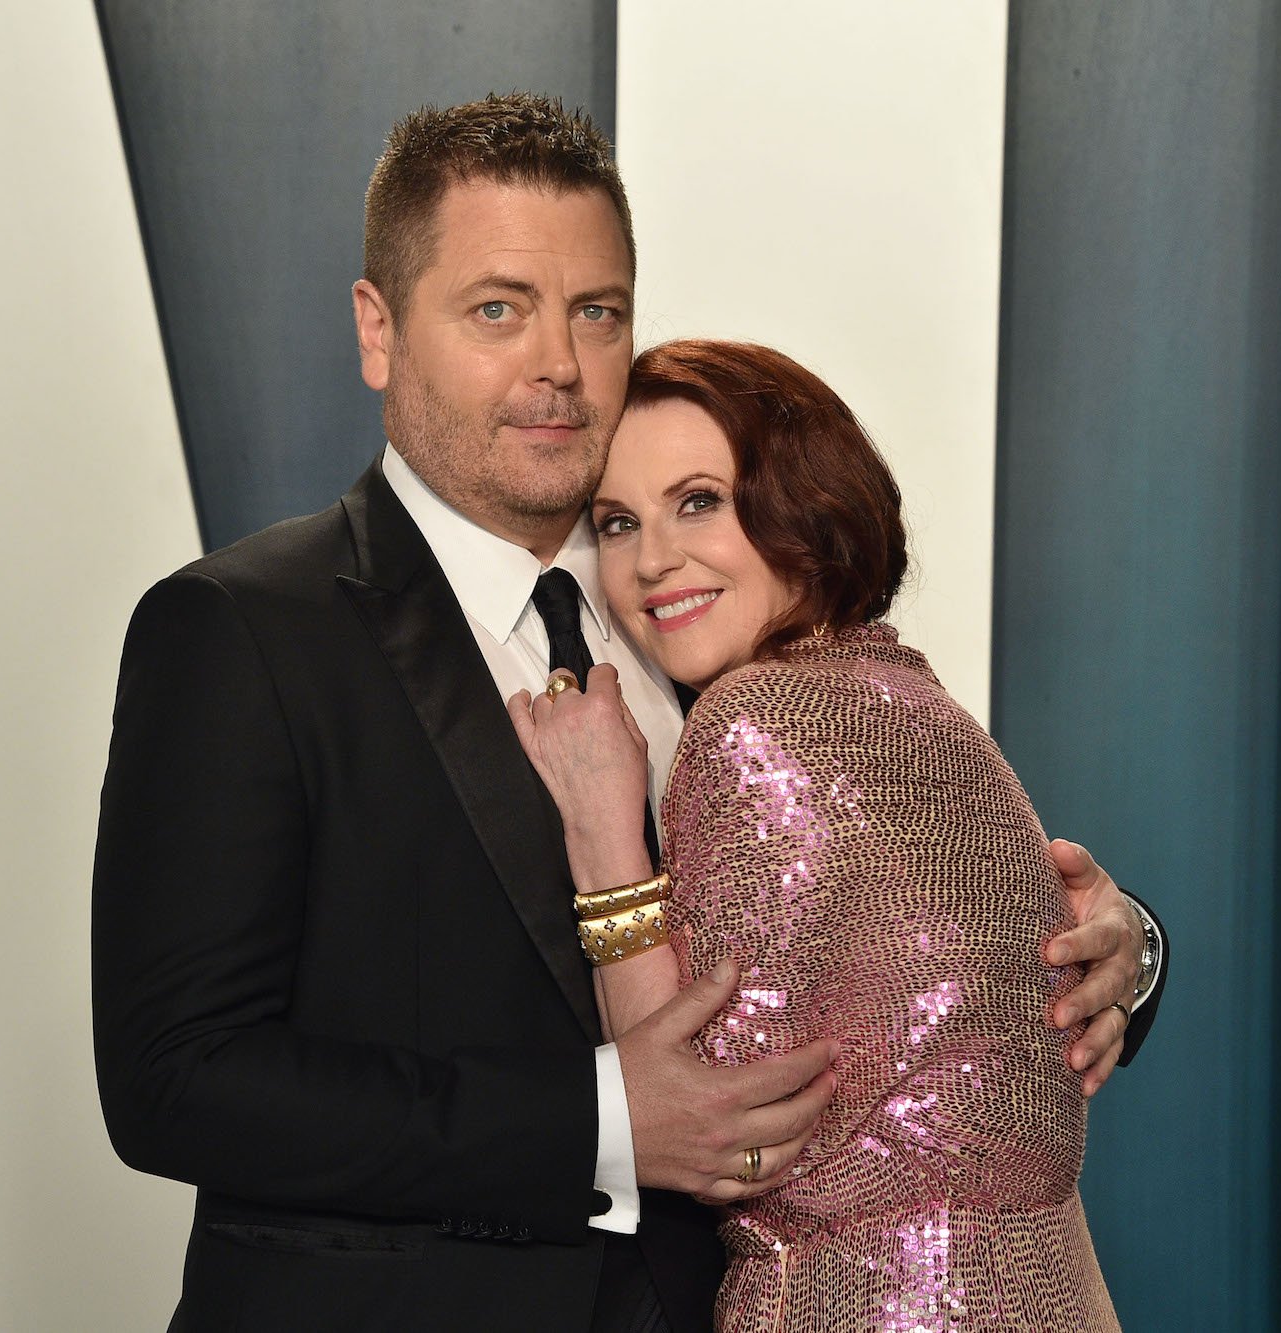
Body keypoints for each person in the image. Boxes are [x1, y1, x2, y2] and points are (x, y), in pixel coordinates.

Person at [92, 94, 1162, 1333]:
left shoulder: (710, 626)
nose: (557, 362)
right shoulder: (240, 630)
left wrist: (1119, 951)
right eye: (497, 308)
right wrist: (603, 1121)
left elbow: (889, 964)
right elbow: (176, 1080)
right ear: (377, 330)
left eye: (594, 312)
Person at [508, 339, 1128, 1330]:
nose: (651, 558)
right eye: (617, 522)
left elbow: (721, 1134)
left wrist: (601, 839)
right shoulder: (918, 699)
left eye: (699, 499)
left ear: (802, 502)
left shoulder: (750, 720)